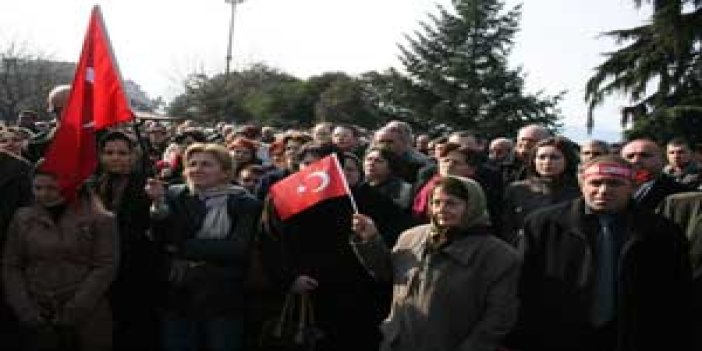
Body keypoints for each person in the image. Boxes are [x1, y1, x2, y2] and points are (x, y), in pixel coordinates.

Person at [509, 155, 692, 351]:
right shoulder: (543, 225)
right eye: (595, 183)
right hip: (560, 335)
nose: (603, 191)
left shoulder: (661, 231)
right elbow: (524, 284)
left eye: (614, 183)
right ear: (582, 184)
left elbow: (677, 293)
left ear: (632, 186)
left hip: (635, 336)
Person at [350, 176, 520, 351]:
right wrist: (370, 240)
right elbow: (387, 274)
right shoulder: (410, 237)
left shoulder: (498, 255)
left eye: (451, 203)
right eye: (436, 202)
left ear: (472, 206)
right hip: (399, 342)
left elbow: (499, 317)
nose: (441, 209)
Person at [146, 143, 261, 351]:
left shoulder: (244, 203)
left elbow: (235, 248)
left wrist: (181, 246)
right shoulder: (175, 194)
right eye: (192, 164)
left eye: (206, 164)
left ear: (226, 171)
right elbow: (161, 237)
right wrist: (158, 206)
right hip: (179, 293)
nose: (197, 169)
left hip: (222, 296)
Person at [3, 166, 118, 351]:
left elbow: (105, 265)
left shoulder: (100, 219)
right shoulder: (22, 218)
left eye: (51, 188)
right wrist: (24, 307)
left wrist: (76, 308)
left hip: (88, 312)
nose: (43, 194)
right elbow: (11, 264)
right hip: (38, 310)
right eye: (37, 188)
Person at [92, 131, 161, 351]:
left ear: (133, 156)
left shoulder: (148, 184)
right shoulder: (92, 185)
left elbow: (160, 225)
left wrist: (158, 201)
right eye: (109, 152)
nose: (115, 158)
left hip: (137, 267)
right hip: (99, 266)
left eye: (122, 153)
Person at [501, 137, 580, 245]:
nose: (547, 162)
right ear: (534, 160)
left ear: (567, 160)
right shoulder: (517, 189)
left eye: (554, 157)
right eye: (541, 157)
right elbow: (506, 226)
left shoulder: (579, 190)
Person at [0, 129, 33, 350]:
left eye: (14, 140)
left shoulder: (22, 170)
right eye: (4, 140)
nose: (10, 144)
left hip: (11, 255)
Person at [620, 138, 689, 211]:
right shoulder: (612, 191)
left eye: (644, 155)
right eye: (630, 156)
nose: (636, 160)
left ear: (662, 160)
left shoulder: (681, 193)